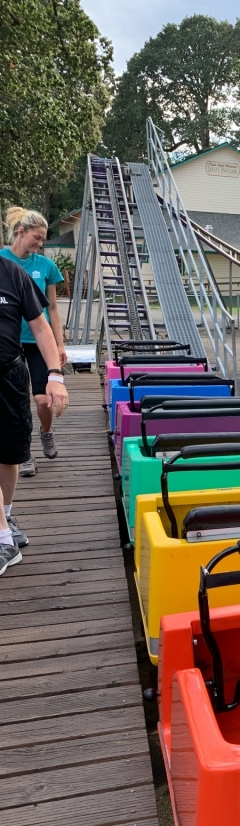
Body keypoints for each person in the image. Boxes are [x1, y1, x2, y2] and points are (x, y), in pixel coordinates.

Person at [0, 251, 68, 575]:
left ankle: (6, 515)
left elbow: (41, 327)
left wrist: (55, 375)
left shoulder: (13, 274)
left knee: (10, 455)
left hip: (10, 375)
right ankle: (3, 541)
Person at [0, 207, 66, 475]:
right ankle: (23, 453)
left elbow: (52, 309)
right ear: (20, 232)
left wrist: (60, 345)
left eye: (43, 239)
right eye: (37, 238)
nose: (41, 244)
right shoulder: (3, 261)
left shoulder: (46, 266)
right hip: (10, 346)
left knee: (41, 400)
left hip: (38, 341)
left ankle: (46, 432)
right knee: (16, 403)